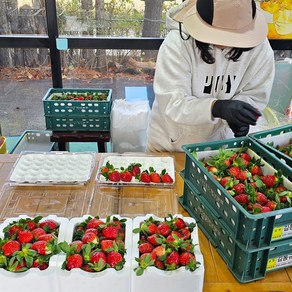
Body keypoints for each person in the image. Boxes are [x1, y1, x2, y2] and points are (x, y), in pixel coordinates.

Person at [146, 0, 275, 152]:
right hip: (170, 144)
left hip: (219, 146)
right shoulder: (177, 43)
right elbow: (172, 103)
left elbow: (255, 94)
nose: (224, 43)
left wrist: (238, 115)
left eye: (233, 37)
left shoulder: (260, 49)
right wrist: (216, 107)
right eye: (218, 35)